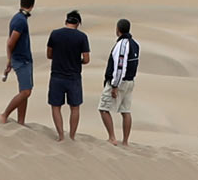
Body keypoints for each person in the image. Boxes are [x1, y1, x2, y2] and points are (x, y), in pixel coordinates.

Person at [45, 9, 90, 141]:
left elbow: (49, 54)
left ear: (66, 21)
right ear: (78, 23)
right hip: (74, 77)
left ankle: (60, 135)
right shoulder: (82, 37)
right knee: (75, 108)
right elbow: (86, 59)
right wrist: (78, 61)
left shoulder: (55, 34)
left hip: (57, 76)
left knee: (56, 106)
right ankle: (72, 136)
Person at [98, 18, 139, 146]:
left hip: (119, 82)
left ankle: (112, 138)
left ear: (118, 29)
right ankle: (125, 141)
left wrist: (115, 85)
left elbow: (120, 66)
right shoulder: (135, 44)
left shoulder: (122, 44)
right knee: (125, 111)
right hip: (130, 82)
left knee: (103, 108)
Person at [0, 0, 35, 125]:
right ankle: (5, 114)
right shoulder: (20, 20)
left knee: (24, 91)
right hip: (21, 60)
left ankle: (21, 122)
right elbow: (10, 42)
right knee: (26, 92)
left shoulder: (20, 18)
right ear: (32, 5)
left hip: (24, 59)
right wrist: (10, 60)